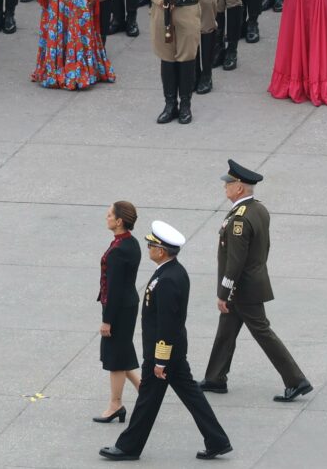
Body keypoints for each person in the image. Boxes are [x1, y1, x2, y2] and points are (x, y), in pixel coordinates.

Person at [100, 221, 232, 462]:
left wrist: (160, 359)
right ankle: (217, 440)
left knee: (148, 401)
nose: (148, 248)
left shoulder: (169, 278)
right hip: (172, 352)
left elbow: (167, 324)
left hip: (164, 353)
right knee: (188, 396)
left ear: (161, 251)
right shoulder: (171, 271)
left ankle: (128, 447)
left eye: (151, 245)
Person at [200, 160, 314, 402]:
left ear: (239, 188)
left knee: (263, 332)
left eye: (228, 184)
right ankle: (215, 378)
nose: (225, 188)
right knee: (226, 330)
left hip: (243, 289)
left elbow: (235, 261)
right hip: (252, 283)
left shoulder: (239, 220)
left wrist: (224, 292)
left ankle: (296, 380)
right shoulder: (258, 209)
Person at [95, 201, 142, 425]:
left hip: (118, 309)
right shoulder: (130, 243)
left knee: (115, 358)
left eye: (109, 215)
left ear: (119, 221)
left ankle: (116, 404)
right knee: (121, 351)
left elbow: (113, 289)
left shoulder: (118, 251)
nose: (107, 218)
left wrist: (107, 321)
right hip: (127, 305)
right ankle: (144, 390)